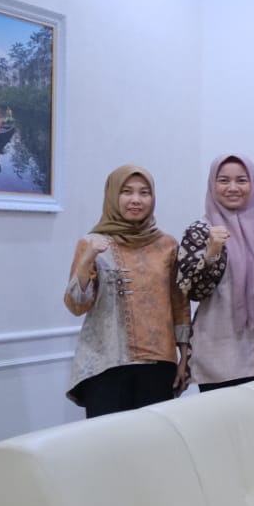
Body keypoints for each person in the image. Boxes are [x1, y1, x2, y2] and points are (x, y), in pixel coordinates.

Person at [63, 165, 189, 417]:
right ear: (113, 196)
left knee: (154, 437)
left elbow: (179, 304)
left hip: (157, 366)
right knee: (108, 439)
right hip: (106, 365)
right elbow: (77, 305)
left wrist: (185, 357)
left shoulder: (167, 245)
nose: (136, 200)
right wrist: (87, 258)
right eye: (127, 191)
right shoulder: (92, 243)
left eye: (144, 192)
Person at [178, 154, 254, 391]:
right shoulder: (200, 232)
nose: (233, 188)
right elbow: (192, 291)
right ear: (212, 184)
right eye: (224, 180)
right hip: (219, 356)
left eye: (241, 180)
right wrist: (211, 253)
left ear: (253, 184)